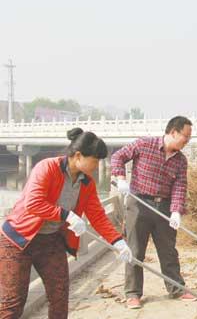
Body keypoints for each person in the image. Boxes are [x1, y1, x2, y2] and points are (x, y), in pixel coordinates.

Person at [0, 128, 132, 319]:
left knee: (60, 295)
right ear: (78, 156)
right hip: (18, 240)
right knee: (13, 302)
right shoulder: (47, 167)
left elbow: (98, 216)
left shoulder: (87, 183)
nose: (97, 166)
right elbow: (33, 203)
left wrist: (117, 242)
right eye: (94, 161)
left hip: (50, 240)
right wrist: (66, 215)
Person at [110, 116, 196, 310]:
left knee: (168, 250)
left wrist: (176, 211)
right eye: (186, 137)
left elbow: (180, 186)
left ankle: (176, 288)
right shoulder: (144, 144)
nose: (187, 141)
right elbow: (118, 157)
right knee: (135, 249)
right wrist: (121, 178)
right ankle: (133, 293)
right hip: (139, 203)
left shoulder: (181, 160)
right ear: (173, 132)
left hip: (163, 207)